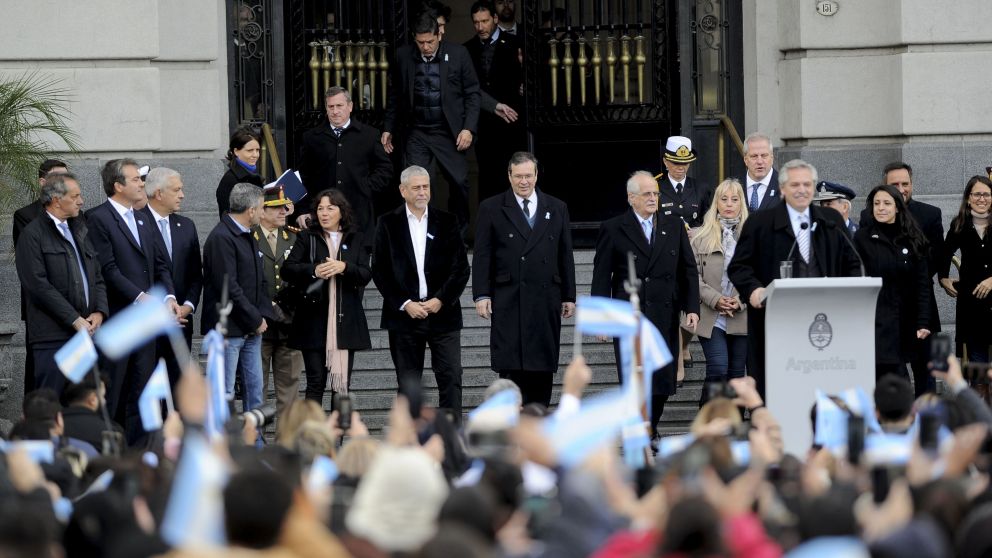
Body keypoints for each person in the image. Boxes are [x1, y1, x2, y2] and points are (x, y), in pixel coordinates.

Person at [728, 159, 861, 398]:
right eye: (795, 184)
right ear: (782, 189)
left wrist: (851, 292)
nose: (802, 190)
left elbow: (853, 263)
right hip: (777, 321)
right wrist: (754, 290)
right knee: (781, 395)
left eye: (807, 184)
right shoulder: (760, 223)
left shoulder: (830, 221)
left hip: (824, 320)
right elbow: (739, 267)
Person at [590, 171, 700, 435]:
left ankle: (650, 425)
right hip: (631, 317)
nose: (653, 198)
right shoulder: (614, 227)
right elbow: (602, 275)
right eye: (647, 194)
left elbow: (688, 270)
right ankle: (642, 430)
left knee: (663, 382)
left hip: (665, 313)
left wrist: (692, 307)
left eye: (656, 194)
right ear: (632, 198)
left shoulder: (673, 226)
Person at [473, 152, 576, 406]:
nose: (524, 181)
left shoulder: (556, 207)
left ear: (536, 175)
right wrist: (482, 294)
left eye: (528, 176)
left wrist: (569, 296)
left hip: (545, 298)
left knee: (542, 365)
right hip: (508, 297)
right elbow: (483, 254)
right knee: (511, 365)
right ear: (509, 176)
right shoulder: (491, 207)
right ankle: (511, 422)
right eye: (518, 176)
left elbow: (565, 254)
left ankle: (538, 421)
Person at [86, 159, 178, 442]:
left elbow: (161, 263)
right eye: (136, 179)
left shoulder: (142, 217)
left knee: (143, 386)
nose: (141, 183)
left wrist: (170, 296)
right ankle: (109, 448)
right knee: (115, 388)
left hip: (147, 320)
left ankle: (141, 452)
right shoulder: (98, 218)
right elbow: (107, 268)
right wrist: (140, 296)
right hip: (120, 317)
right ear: (118, 186)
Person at [371, 167, 469, 413]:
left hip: (443, 315)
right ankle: (409, 441)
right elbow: (380, 271)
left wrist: (440, 300)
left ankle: (451, 440)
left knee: (451, 378)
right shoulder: (387, 223)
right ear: (403, 191)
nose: (423, 192)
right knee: (408, 384)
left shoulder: (447, 221)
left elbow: (460, 269)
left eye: (426, 186)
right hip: (404, 317)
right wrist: (405, 303)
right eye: (416, 187)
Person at [382, 11, 481, 239]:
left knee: (459, 182)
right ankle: (421, 235)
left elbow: (473, 94)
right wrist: (388, 127)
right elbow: (395, 95)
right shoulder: (403, 56)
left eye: (430, 42)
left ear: (439, 35)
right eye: (421, 42)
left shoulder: (458, 54)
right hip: (416, 131)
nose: (426, 47)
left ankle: (458, 235)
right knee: (416, 185)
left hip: (448, 131)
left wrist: (468, 128)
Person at [15, 173, 108, 394]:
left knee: (84, 406)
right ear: (57, 199)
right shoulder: (33, 235)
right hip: (53, 338)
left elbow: (97, 276)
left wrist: (100, 312)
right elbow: (37, 285)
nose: (81, 201)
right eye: (75, 196)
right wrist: (74, 319)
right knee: (53, 405)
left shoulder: (80, 229)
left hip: (86, 334)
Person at [284, 189, 373, 403]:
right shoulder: (308, 237)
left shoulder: (356, 239)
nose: (324, 213)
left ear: (341, 212)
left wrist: (344, 267)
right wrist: (314, 270)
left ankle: (336, 437)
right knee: (315, 382)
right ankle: (313, 436)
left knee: (341, 387)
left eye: (330, 208)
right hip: (312, 319)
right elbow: (288, 269)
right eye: (320, 209)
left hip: (345, 321)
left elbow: (365, 274)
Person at [864, 162, 944, 391]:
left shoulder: (930, 214)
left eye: (905, 183)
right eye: (894, 184)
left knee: (928, 370)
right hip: (884, 310)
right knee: (890, 372)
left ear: (912, 184)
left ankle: (927, 420)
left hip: (921, 307)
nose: (901, 188)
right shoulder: (868, 219)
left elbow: (935, 258)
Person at [201, 183, 272, 413]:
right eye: (262, 208)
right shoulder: (222, 237)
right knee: (225, 393)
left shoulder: (247, 235)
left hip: (250, 329)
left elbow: (258, 279)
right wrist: (256, 318)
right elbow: (229, 285)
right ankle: (224, 444)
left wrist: (262, 314)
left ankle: (256, 444)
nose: (263, 213)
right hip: (228, 331)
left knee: (255, 392)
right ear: (251, 210)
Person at [854, 184, 932, 379]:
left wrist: (923, 320)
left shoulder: (913, 238)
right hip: (876, 319)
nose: (881, 208)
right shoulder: (862, 238)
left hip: (907, 319)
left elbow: (923, 283)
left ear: (897, 207)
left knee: (912, 371)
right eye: (877, 203)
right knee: (889, 375)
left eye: (887, 203)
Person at [297, 86, 392, 235]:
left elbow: (385, 169)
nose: (335, 111)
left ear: (350, 106)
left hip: (359, 214)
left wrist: (365, 188)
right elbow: (303, 177)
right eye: (331, 107)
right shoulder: (312, 138)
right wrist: (303, 210)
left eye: (339, 106)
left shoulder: (369, 135)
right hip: (323, 216)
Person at [139, 168, 202, 391]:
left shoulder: (186, 226)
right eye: (176, 190)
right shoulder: (138, 223)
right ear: (158, 193)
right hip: (150, 323)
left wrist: (188, 306)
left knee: (178, 386)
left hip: (181, 322)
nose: (182, 194)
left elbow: (196, 274)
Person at [689, 178, 749, 407]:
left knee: (736, 374)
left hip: (740, 313)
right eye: (724, 199)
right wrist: (715, 299)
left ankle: (732, 427)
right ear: (716, 202)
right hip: (710, 313)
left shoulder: (752, 234)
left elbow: (760, 274)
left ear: (741, 203)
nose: (729, 204)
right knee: (718, 367)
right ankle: (709, 421)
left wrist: (739, 300)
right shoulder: (700, 236)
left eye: (735, 199)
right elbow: (692, 276)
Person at [14, 159, 70, 396]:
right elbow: (33, 267)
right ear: (43, 182)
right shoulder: (25, 216)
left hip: (75, 307)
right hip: (42, 307)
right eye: (58, 178)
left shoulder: (77, 216)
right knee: (39, 370)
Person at [252, 186, 305, 417]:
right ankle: (257, 444)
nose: (284, 211)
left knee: (289, 390)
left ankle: (286, 445)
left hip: (290, 324)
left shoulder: (294, 237)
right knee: (257, 388)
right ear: (261, 211)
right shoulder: (248, 238)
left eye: (285, 207)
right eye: (276, 208)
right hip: (259, 324)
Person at [465, 2, 525, 203]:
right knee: (487, 179)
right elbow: (468, 87)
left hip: (513, 122)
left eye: (485, 21)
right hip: (484, 124)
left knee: (516, 176)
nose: (480, 27)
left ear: (495, 19)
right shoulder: (467, 49)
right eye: (476, 22)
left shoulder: (517, 43)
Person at [939, 175, 992, 363]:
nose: (981, 199)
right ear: (968, 198)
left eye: (986, 194)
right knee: (977, 362)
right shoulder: (959, 224)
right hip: (972, 304)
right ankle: (980, 392)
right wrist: (943, 278)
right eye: (977, 194)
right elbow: (944, 252)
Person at [653, 135, 713, 229]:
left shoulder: (701, 188)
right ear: (665, 161)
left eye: (685, 163)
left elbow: (708, 221)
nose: (681, 167)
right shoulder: (655, 188)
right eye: (676, 163)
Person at [216, 127, 263, 217]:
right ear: (236, 151)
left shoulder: (252, 175)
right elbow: (229, 217)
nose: (255, 155)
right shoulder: (230, 180)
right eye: (250, 151)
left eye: (257, 150)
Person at [741, 133, 779, 212]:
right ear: (745, 160)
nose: (759, 161)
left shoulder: (785, 186)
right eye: (754, 156)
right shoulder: (735, 186)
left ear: (772, 158)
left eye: (764, 155)